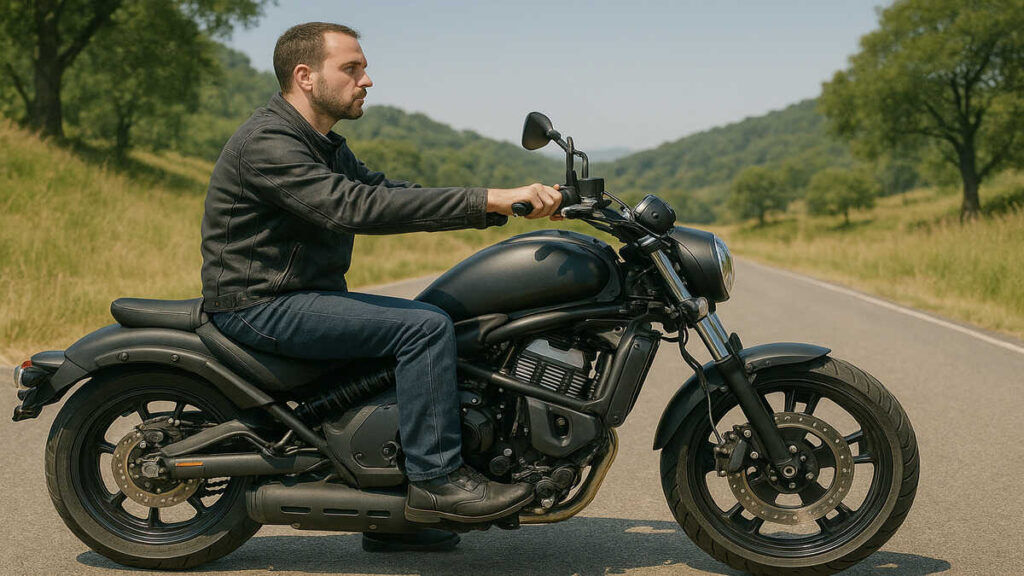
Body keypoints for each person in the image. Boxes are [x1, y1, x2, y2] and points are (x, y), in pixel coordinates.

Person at [199, 22, 562, 551]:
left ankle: (397, 518)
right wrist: (489, 198)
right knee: (423, 328)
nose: (367, 79)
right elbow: (354, 207)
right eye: (352, 68)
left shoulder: (319, 143)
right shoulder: (269, 143)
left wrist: (503, 205)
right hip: (262, 305)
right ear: (305, 75)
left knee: (444, 323)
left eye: (363, 68)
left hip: (301, 297)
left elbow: (382, 191)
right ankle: (436, 481)